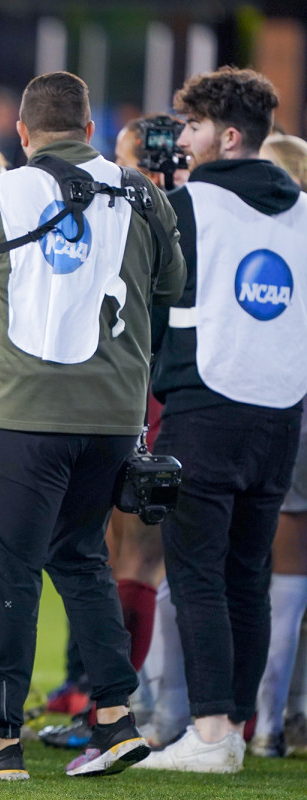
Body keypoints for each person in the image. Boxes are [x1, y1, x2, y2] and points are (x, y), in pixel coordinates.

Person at [0, 70, 185, 780]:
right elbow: (170, 286)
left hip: (26, 413)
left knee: (9, 571)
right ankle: (115, 717)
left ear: (21, 131)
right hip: (113, 417)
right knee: (81, 561)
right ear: (90, 128)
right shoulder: (141, 190)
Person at [137, 67, 307, 774]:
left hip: (206, 404)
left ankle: (209, 734)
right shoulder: (302, 209)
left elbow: (148, 310)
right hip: (282, 411)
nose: (185, 139)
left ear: (227, 135)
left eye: (196, 127)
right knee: (247, 574)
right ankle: (234, 722)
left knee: (199, 573)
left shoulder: (186, 206)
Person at [252, 132, 307, 759]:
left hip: (286, 413)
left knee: (282, 585)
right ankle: (292, 716)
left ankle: (269, 723)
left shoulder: (272, 239)